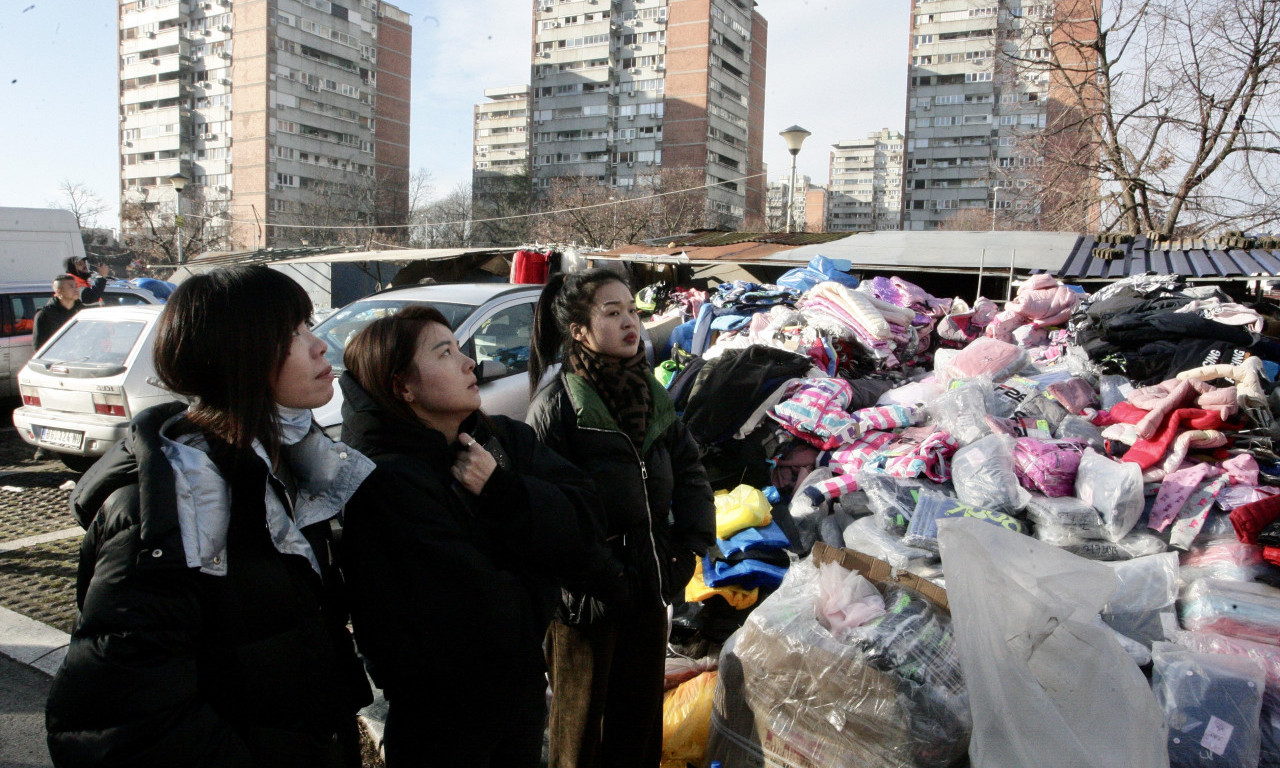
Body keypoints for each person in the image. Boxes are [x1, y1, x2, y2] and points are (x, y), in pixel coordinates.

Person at [45, 265, 374, 767]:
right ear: (240, 353)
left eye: (309, 327)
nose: (320, 345)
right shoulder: (169, 507)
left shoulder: (286, 470)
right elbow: (116, 724)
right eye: (293, 333)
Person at [338, 305, 626, 768]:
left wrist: (504, 492)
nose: (469, 362)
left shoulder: (498, 440)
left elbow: (589, 520)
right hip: (445, 722)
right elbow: (478, 614)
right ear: (403, 387)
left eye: (460, 348)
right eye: (445, 353)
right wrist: (543, 570)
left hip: (518, 697)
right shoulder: (385, 482)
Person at [526, 269, 716, 768]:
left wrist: (690, 544)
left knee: (637, 726)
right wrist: (605, 575)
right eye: (612, 313)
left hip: (649, 584)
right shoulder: (557, 405)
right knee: (580, 731)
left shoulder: (650, 392)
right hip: (587, 599)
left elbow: (689, 466)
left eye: (632, 310)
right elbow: (546, 515)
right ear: (579, 331)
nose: (630, 321)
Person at [32, 274, 83, 350]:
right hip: (58, 359)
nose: (76, 289)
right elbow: (39, 347)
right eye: (71, 286)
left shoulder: (82, 312)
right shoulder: (45, 315)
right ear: (59, 292)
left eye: (76, 286)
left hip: (82, 358)